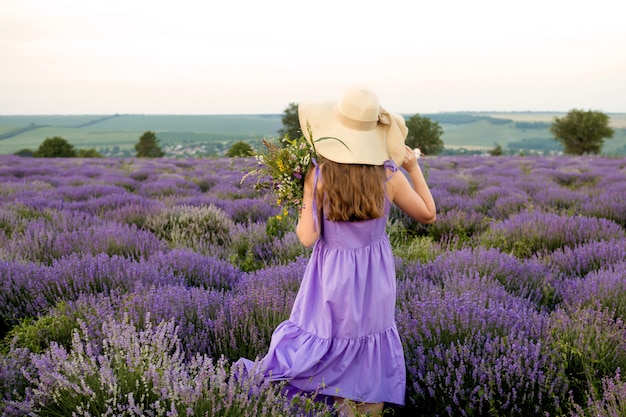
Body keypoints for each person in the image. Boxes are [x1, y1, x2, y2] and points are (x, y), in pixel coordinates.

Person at [238, 86, 436, 416]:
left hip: (330, 275)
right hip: (374, 276)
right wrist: (413, 167)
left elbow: (306, 236)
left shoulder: (319, 174)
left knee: (328, 347)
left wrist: (305, 193)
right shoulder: (389, 175)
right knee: (368, 348)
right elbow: (428, 215)